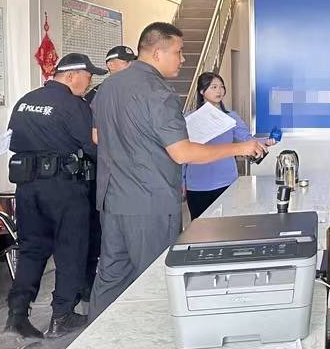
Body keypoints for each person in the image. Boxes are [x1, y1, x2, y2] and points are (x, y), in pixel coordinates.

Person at [89, 22, 267, 320]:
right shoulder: (158, 92)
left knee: (111, 277)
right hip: (150, 203)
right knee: (156, 279)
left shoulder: (108, 87)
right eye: (179, 52)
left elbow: (97, 137)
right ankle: (153, 339)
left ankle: (97, 342)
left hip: (113, 199)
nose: (183, 59)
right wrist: (240, 148)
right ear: (157, 53)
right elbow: (183, 153)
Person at [4, 53, 106, 340]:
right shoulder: (73, 105)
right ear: (71, 75)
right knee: (71, 249)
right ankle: (62, 316)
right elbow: (93, 147)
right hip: (63, 188)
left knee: (31, 249)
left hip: (27, 187)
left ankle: (17, 315)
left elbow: (13, 140)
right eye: (88, 77)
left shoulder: (25, 100)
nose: (89, 83)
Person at [80, 45, 135, 308]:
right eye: (125, 62)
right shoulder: (98, 94)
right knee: (102, 236)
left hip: (127, 175)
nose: (130, 66)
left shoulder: (133, 91)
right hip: (102, 172)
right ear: (111, 65)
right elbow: (94, 137)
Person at [183, 72, 278, 220]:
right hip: (197, 183)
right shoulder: (189, 118)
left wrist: (266, 142)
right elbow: (183, 152)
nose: (219, 91)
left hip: (226, 180)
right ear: (202, 91)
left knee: (226, 225)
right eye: (213, 87)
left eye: (221, 87)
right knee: (199, 226)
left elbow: (246, 138)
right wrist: (182, 181)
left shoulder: (231, 117)